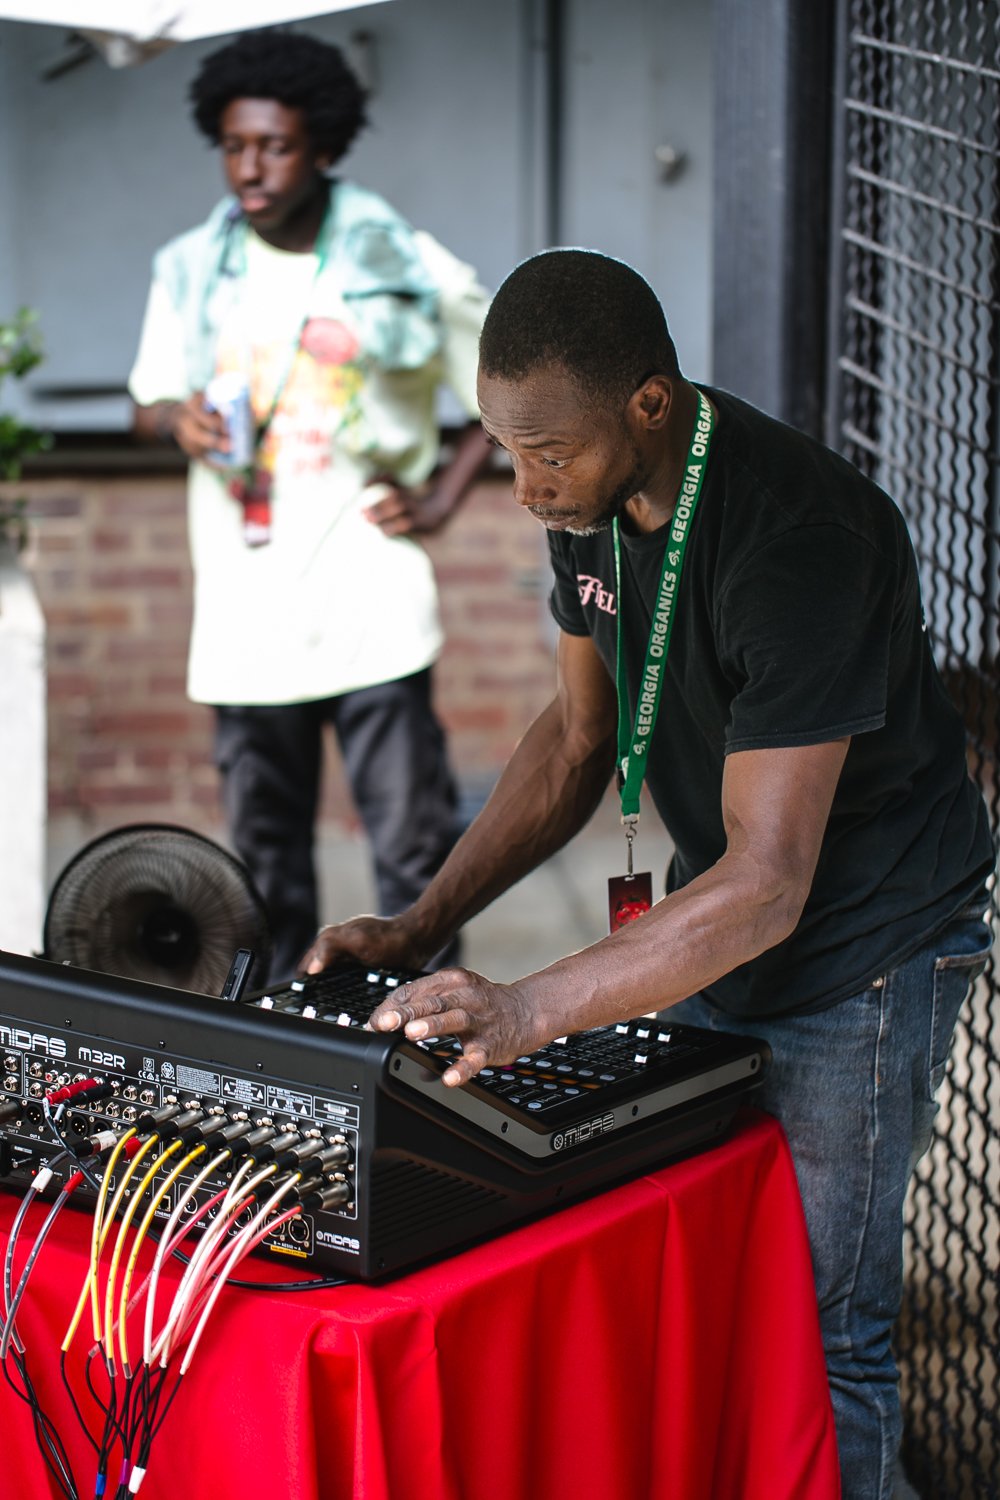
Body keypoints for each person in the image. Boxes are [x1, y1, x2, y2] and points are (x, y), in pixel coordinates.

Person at [303, 250, 996, 1500]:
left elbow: (772, 882)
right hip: (706, 920)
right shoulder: (586, 504)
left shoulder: (801, 542)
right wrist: (421, 922)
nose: (520, 487)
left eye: (546, 454)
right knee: (697, 1277)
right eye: (503, 450)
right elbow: (576, 740)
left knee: (830, 1332)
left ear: (651, 406)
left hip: (865, 944)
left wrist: (529, 1005)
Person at [129, 29, 492, 983]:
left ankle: (421, 1057)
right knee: (264, 878)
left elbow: (510, 381)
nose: (250, 167)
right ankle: (284, 1064)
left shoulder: (398, 259)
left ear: (323, 146)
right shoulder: (189, 268)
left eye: (276, 146)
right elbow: (147, 398)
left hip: (373, 608)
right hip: (249, 621)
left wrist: (447, 495)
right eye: (235, 144)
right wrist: (178, 422)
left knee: (415, 865)